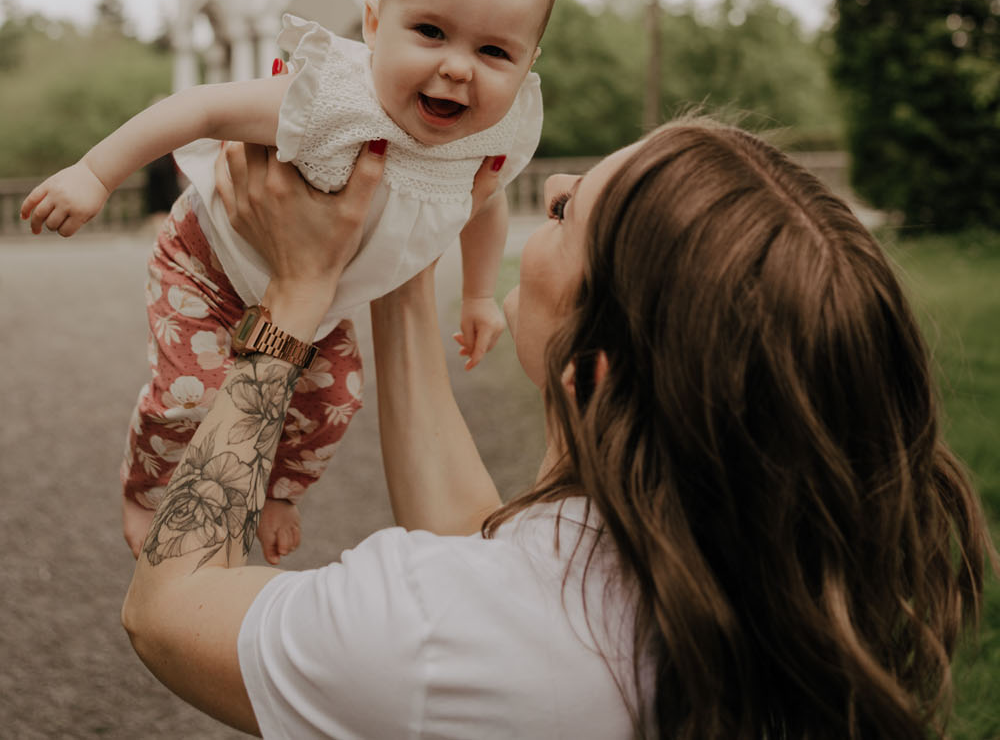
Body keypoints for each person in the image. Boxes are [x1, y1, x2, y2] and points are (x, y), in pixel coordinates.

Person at [121, 120, 994, 740]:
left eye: (574, 214)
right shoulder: (776, 565)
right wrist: (394, 245)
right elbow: (486, 550)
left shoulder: (433, 639)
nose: (557, 186)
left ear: (591, 369)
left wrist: (296, 296)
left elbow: (168, 610)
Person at [21, 0, 556, 564]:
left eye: (493, 50)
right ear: (372, 23)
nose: (457, 67)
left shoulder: (486, 138)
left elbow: (488, 203)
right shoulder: (331, 100)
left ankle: (278, 490)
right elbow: (205, 106)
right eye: (430, 32)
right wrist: (94, 172)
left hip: (321, 297)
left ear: (530, 61)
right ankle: (146, 485)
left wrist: (476, 295)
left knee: (335, 398)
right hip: (208, 265)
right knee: (190, 391)